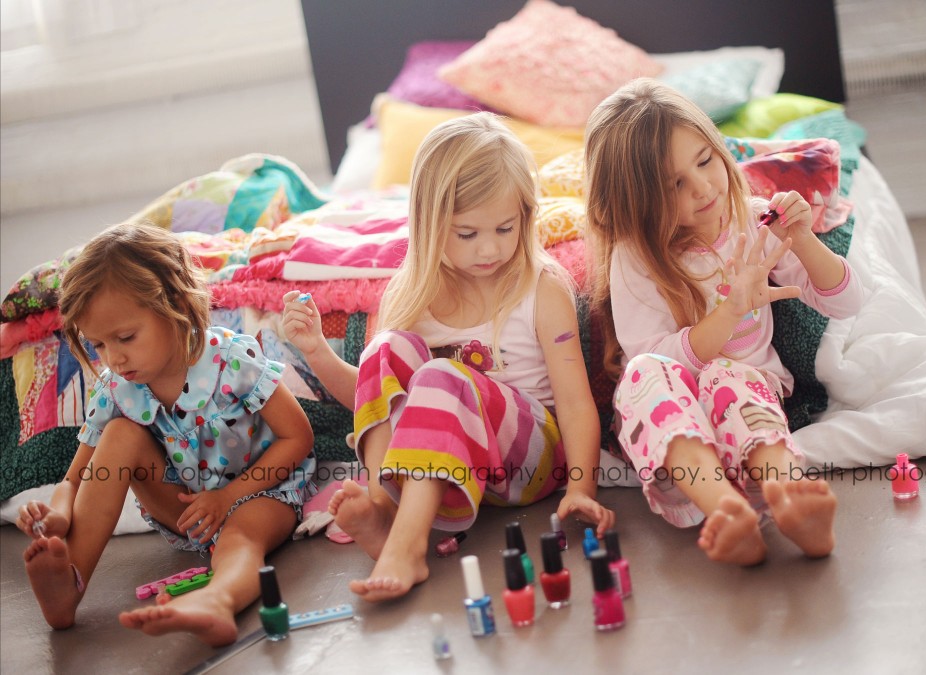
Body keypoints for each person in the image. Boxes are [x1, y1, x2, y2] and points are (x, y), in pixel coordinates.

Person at [284, 112, 615, 602]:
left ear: (526, 215)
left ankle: (408, 547)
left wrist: (581, 489)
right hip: (445, 468)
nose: (490, 248)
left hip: (531, 464)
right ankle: (384, 506)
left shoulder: (540, 289)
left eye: (505, 228)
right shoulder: (412, 293)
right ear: (430, 224)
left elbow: (573, 401)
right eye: (467, 234)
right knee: (386, 348)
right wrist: (317, 353)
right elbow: (374, 395)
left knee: (443, 375)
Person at [584, 78, 863, 566]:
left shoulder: (753, 221)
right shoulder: (634, 258)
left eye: (705, 161)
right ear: (636, 202)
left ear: (718, 147)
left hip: (749, 403)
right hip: (674, 431)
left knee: (727, 375)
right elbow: (654, 358)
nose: (704, 188)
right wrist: (729, 312)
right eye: (675, 185)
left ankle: (790, 495)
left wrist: (801, 237)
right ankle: (725, 510)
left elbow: (844, 302)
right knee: (642, 373)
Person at [16, 222, 316, 646]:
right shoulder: (117, 387)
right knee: (119, 434)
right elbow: (74, 478)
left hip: (259, 495)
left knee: (241, 536)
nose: (114, 358)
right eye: (98, 345)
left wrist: (228, 498)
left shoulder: (232, 360)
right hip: (186, 511)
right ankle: (70, 579)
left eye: (125, 337)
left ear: (174, 304)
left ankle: (218, 601)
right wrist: (60, 517)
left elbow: (297, 438)